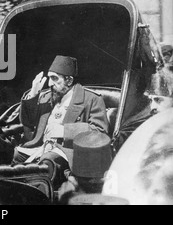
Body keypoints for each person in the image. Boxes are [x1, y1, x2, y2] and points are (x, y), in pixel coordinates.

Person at [12, 55, 109, 188]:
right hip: (40, 147)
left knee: (48, 161)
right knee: (16, 155)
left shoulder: (91, 99)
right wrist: (34, 93)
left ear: (69, 80)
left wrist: (64, 131)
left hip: (68, 151)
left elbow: (100, 132)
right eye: (49, 78)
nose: (50, 83)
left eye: (54, 78)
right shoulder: (46, 96)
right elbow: (28, 122)